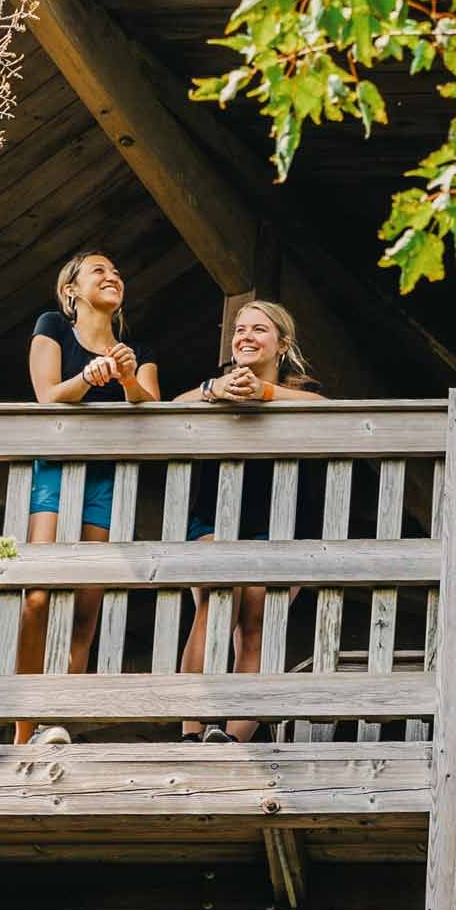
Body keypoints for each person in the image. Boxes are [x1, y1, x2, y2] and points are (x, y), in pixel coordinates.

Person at [17, 251, 160, 744]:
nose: (112, 275)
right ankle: (23, 724)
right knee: (37, 595)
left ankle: (55, 718)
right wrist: (89, 377)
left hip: (106, 479)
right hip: (56, 471)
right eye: (99, 270)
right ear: (72, 290)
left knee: (86, 601)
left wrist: (123, 377)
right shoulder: (53, 326)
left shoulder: (135, 351)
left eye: (117, 271)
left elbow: (152, 407)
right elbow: (46, 395)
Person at [174, 299, 324, 741]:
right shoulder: (216, 384)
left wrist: (267, 394)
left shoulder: (298, 390)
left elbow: (324, 406)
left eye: (259, 329)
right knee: (218, 601)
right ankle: (191, 730)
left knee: (260, 623)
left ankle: (234, 740)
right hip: (213, 518)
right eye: (240, 329)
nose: (246, 336)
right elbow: (169, 408)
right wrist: (212, 390)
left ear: (282, 344)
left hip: (281, 522)